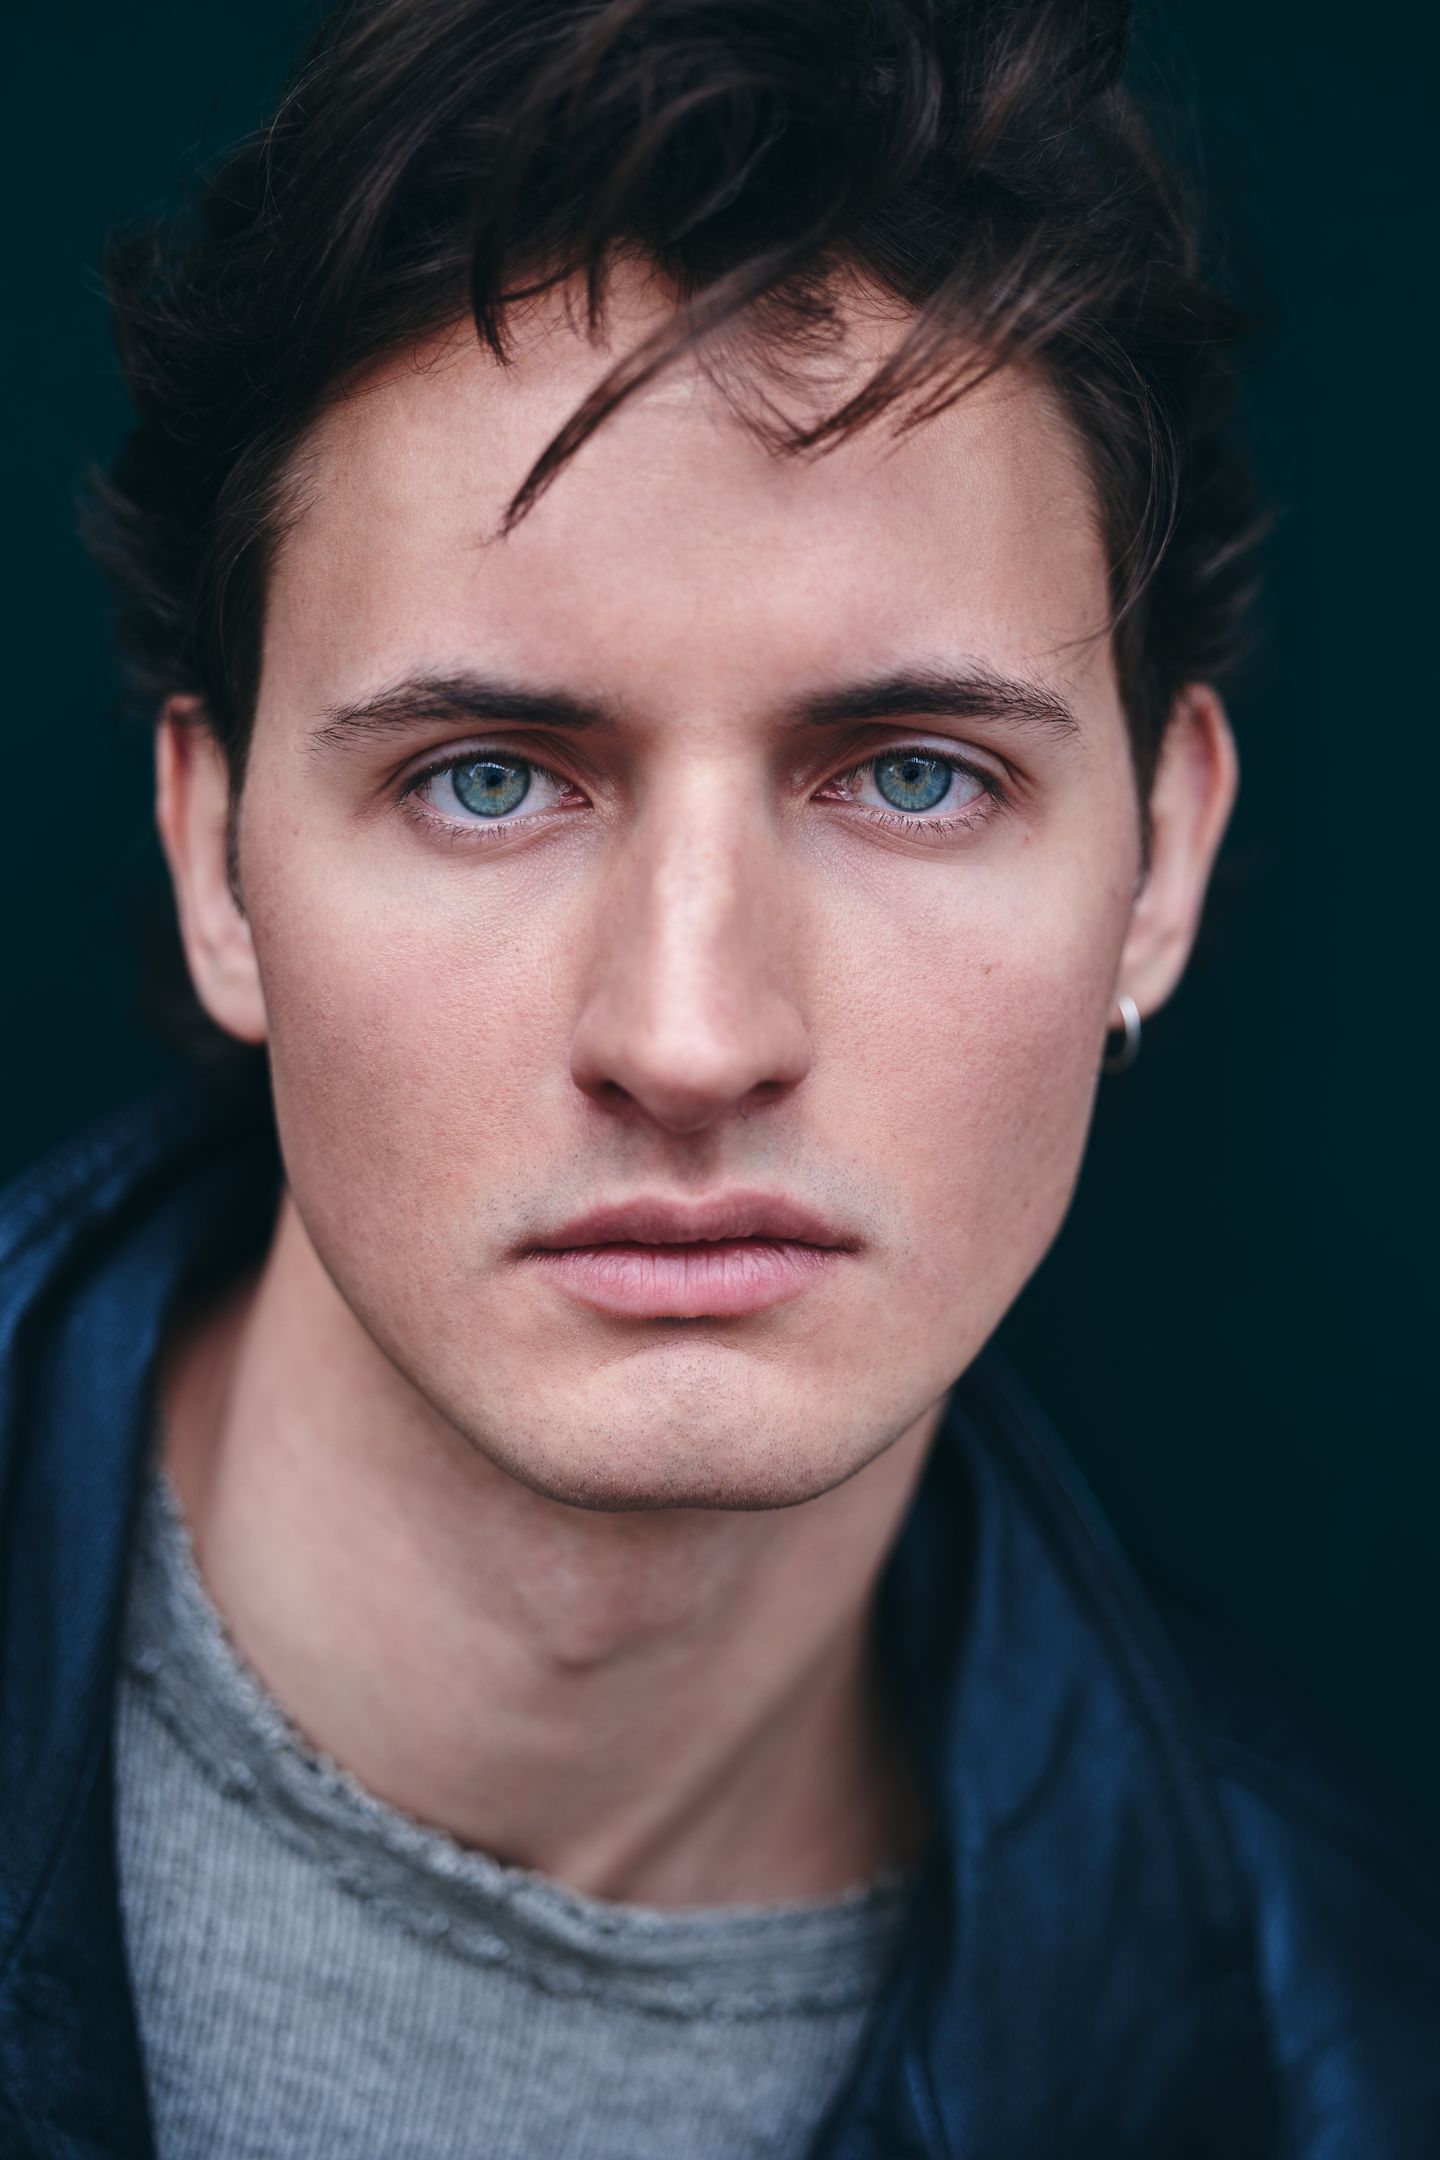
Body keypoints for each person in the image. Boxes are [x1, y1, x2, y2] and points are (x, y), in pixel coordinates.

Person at [2, 0, 1436, 2153]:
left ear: (1163, 863)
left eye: (914, 776)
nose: (687, 1040)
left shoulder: (1342, 2073)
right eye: (488, 777)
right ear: (216, 862)